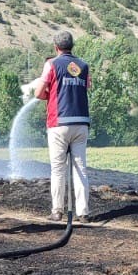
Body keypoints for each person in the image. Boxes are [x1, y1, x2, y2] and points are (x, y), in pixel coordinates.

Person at [33, 31, 92, 222]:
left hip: (59, 123)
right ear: (72, 45)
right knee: (80, 168)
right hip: (81, 122)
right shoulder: (83, 65)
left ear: (56, 47)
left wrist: (48, 95)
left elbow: (38, 92)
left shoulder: (51, 64)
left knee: (58, 168)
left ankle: (57, 211)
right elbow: (87, 86)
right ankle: (83, 213)